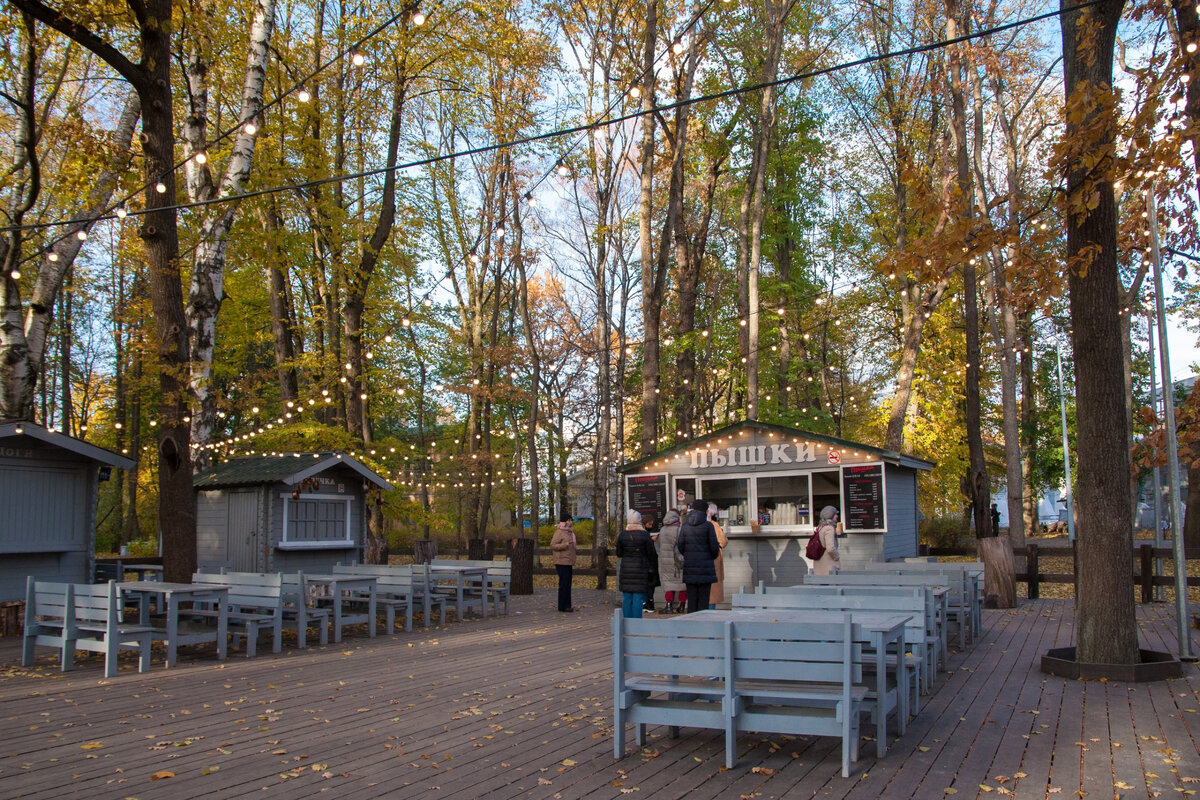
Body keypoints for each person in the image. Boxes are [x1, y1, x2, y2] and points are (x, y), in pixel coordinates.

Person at [676, 499, 720, 613]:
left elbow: (680, 545)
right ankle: (703, 627)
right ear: (705, 511)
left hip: (690, 567)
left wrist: (688, 555)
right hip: (705, 568)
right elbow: (714, 548)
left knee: (691, 600)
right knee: (704, 600)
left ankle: (691, 627)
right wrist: (710, 557)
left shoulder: (685, 526)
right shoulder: (708, 526)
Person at [616, 509, 658, 618]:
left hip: (626, 569)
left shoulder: (622, 535)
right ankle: (636, 622)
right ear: (639, 521)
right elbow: (651, 553)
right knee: (638, 597)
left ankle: (626, 621)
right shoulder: (644, 535)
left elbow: (619, 553)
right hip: (640, 568)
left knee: (627, 597)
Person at [655, 509, 686, 613]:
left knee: (668, 584)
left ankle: (669, 606)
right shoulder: (679, 529)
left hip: (665, 562)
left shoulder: (662, 530)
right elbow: (683, 545)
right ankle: (681, 606)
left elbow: (660, 546)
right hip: (678, 562)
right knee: (682, 584)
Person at [550, 513, 577, 612]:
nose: (570, 522)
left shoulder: (570, 532)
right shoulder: (559, 532)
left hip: (568, 561)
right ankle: (562, 606)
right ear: (564, 521)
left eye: (571, 520)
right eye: (568, 520)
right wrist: (564, 545)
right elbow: (553, 545)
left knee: (568, 584)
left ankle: (567, 605)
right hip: (561, 561)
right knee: (564, 584)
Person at [707, 502, 728, 606]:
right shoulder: (714, 525)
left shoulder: (693, 524)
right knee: (713, 593)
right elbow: (723, 541)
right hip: (713, 560)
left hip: (697, 562)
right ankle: (711, 613)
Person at [812, 505, 841, 575]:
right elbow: (830, 548)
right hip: (829, 568)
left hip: (819, 567)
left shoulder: (820, 528)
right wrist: (837, 557)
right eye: (835, 514)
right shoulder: (829, 528)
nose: (837, 516)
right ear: (830, 515)